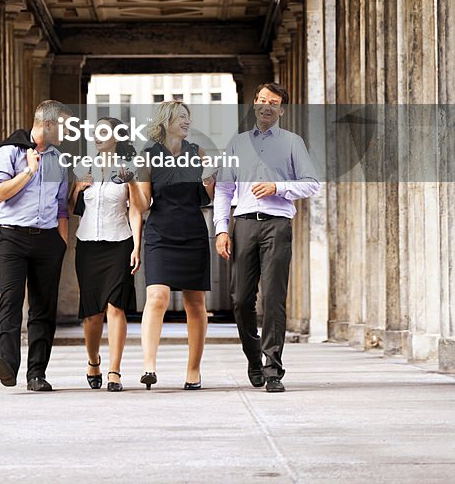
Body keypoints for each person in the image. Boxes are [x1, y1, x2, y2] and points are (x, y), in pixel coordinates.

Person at [214, 82, 320, 393]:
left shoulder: (291, 143)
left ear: (281, 110)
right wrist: (221, 229)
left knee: (274, 298)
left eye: (272, 102)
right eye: (260, 100)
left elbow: (312, 184)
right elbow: (223, 189)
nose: (265, 106)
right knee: (241, 300)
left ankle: (273, 369)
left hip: (277, 224)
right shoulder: (238, 143)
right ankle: (253, 358)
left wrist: (279, 187)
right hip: (244, 224)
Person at [0, 99, 72, 392]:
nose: (67, 131)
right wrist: (28, 172)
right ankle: (6, 363)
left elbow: (62, 207)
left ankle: (36, 373)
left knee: (43, 308)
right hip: (12, 237)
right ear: (47, 124)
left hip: (48, 240)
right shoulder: (7, 152)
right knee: (11, 300)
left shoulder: (60, 160)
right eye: (63, 125)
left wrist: (61, 243)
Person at [137, 101, 215, 390]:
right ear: (166, 121)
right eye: (181, 117)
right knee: (156, 296)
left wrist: (208, 179)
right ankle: (149, 366)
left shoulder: (198, 153)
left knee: (195, 303)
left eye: (188, 117)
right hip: (160, 233)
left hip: (193, 231)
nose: (186, 121)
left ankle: (193, 370)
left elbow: (205, 198)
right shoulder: (148, 156)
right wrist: (133, 182)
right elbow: (144, 204)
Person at [70, 117, 143, 392]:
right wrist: (77, 188)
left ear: (117, 137)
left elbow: (136, 209)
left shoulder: (130, 168)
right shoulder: (82, 166)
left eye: (104, 131)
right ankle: (93, 361)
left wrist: (137, 245)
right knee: (91, 314)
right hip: (88, 244)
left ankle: (115, 370)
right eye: (95, 131)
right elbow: (69, 207)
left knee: (116, 306)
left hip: (120, 242)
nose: (97, 136)